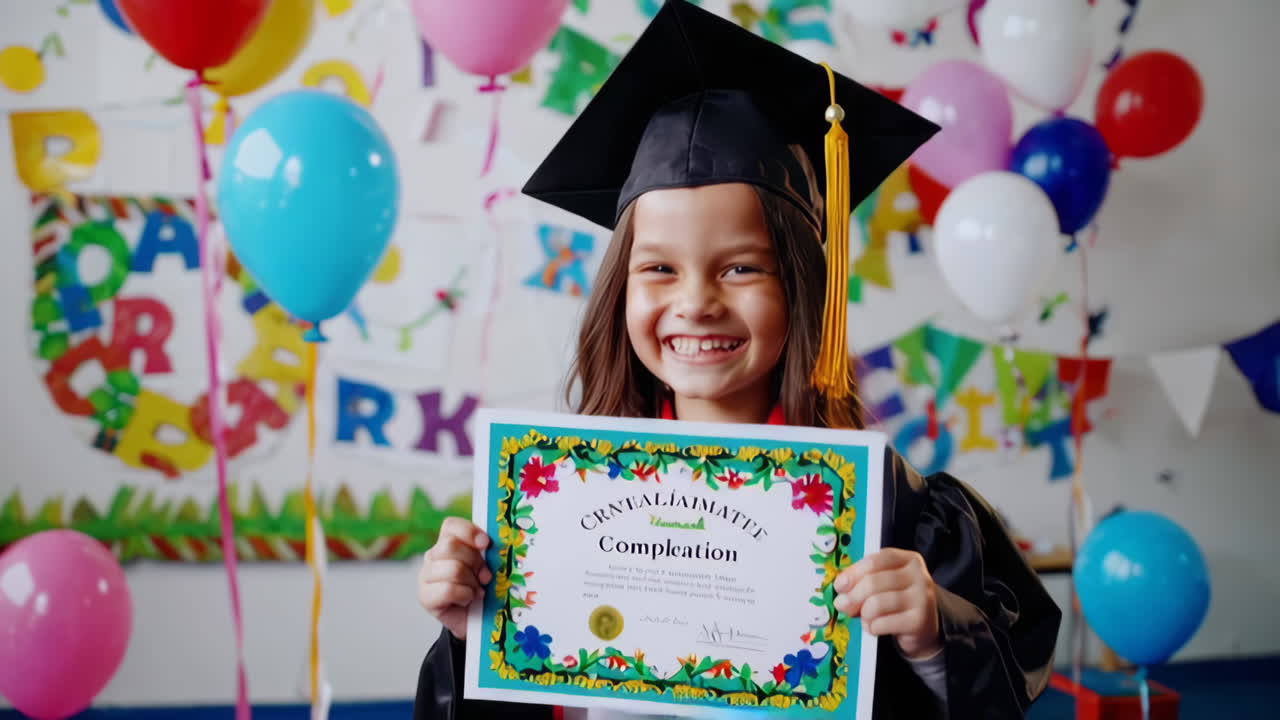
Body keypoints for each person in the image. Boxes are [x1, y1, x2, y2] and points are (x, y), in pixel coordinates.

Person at [412, 2, 1060, 718]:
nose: (696, 302)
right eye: (658, 269)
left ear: (802, 287)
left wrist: (936, 636)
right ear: (618, 292)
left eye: (742, 269)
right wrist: (470, 632)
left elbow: (1007, 687)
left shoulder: (900, 520)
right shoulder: (556, 509)